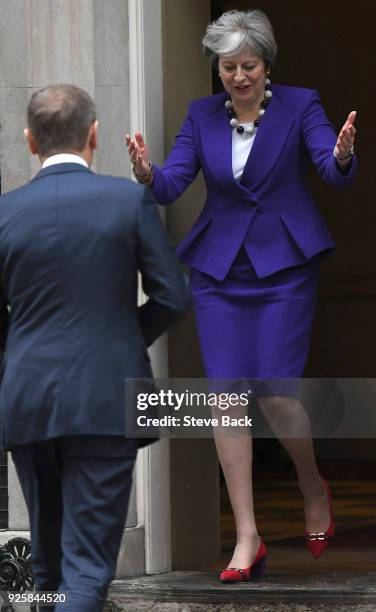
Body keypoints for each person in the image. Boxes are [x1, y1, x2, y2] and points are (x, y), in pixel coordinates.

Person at [126, 8, 357, 582]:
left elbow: (330, 166)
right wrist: (148, 173)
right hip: (220, 274)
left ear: (266, 63)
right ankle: (247, 535)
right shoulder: (200, 114)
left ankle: (311, 485)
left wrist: (344, 155)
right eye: (228, 67)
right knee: (227, 399)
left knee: (277, 397)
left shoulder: (301, 104)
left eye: (248, 65)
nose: (238, 76)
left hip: (284, 267)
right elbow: (177, 179)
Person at [0, 84, 190, 611]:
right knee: (85, 573)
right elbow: (173, 296)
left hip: (28, 400)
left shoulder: (4, 213)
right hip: (106, 400)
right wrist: (126, 336)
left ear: (30, 142)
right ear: (95, 135)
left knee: (49, 569)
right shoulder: (127, 200)